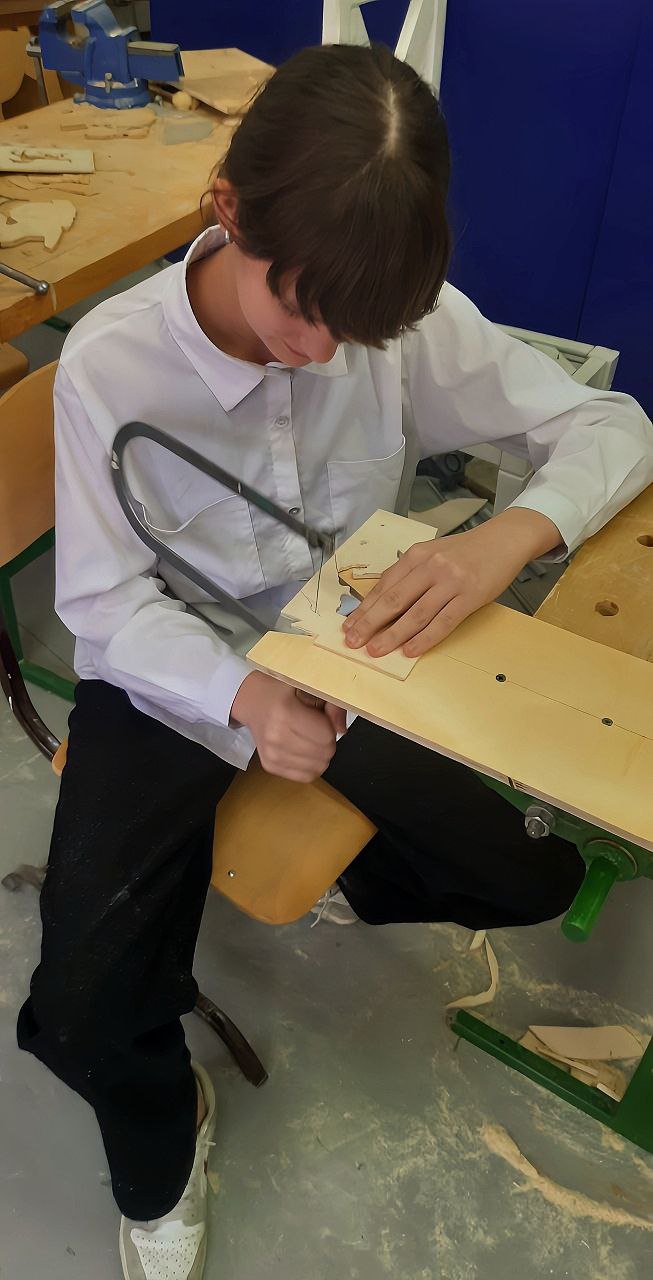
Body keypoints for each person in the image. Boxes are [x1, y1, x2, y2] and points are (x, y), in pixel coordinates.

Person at [17, 42, 653, 1280]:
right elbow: (101, 603)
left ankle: (328, 870)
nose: (317, 352)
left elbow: (609, 423)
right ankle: (166, 1140)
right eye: (296, 308)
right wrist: (243, 695)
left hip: (350, 649)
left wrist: (500, 539)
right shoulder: (109, 363)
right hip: (176, 670)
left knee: (529, 874)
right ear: (227, 209)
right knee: (83, 1007)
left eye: (355, 329)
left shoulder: (386, 325)